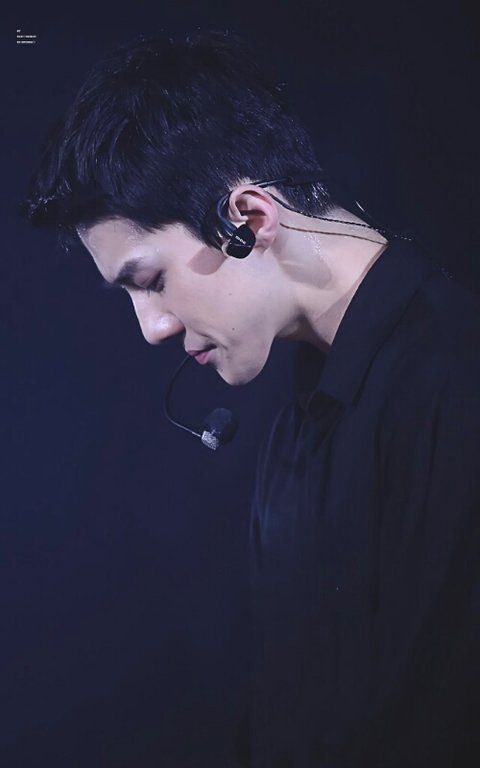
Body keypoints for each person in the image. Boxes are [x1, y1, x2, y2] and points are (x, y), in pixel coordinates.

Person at [21, 31, 480, 768]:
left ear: (249, 219)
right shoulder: (298, 430)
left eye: (151, 281)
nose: (152, 328)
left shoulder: (457, 384)